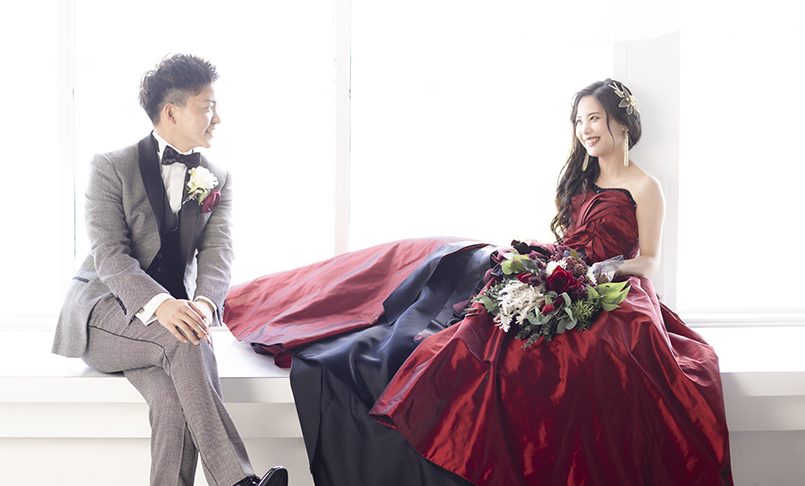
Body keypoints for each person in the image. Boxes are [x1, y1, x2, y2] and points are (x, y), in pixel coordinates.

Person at [225, 79, 733, 485]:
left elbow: (649, 261)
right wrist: (553, 270)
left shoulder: (645, 185)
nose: (585, 129)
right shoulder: (582, 179)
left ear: (622, 121)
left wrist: (605, 271)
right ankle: (297, 301)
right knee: (444, 256)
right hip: (559, 269)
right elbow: (569, 240)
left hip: (609, 286)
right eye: (579, 120)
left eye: (594, 118)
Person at [52, 54, 287, 486]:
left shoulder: (217, 177)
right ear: (172, 112)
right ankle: (238, 481)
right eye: (208, 107)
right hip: (103, 312)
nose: (218, 118)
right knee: (187, 338)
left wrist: (204, 304)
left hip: (170, 325)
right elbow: (110, 254)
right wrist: (161, 304)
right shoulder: (110, 166)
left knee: (173, 401)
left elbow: (219, 252)